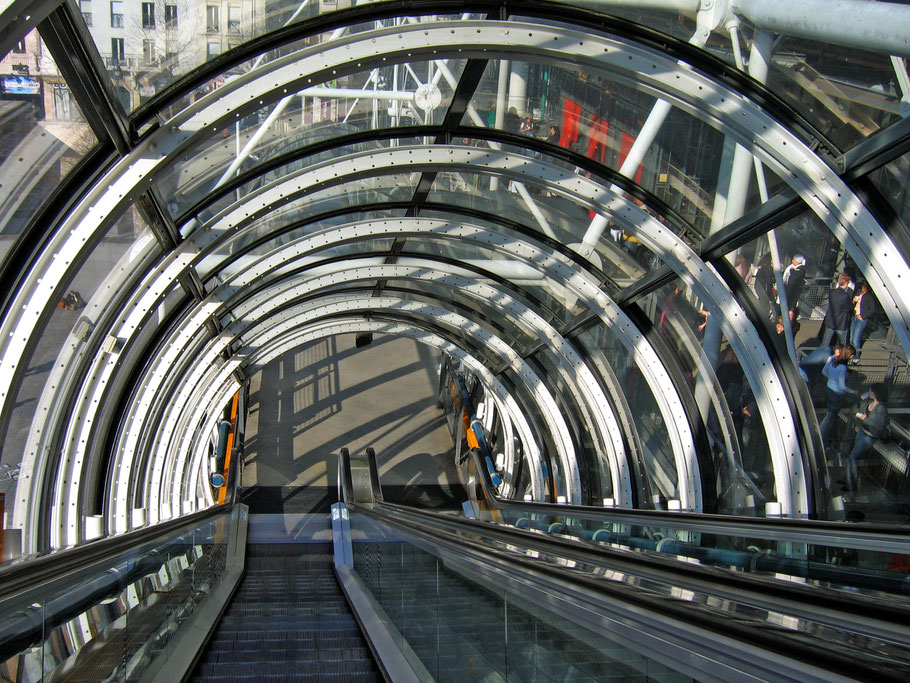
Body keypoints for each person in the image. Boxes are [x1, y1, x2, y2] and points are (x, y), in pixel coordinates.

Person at [843, 383, 889, 492]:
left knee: (852, 458)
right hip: (862, 432)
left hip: (868, 437)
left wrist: (865, 419)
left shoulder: (881, 408)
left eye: (872, 391)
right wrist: (863, 397)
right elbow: (860, 404)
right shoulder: (870, 402)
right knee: (853, 456)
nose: (869, 392)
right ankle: (851, 480)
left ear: (877, 393)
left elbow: (878, 424)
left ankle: (851, 484)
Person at [818, 344, 857, 449]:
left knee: (829, 416)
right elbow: (842, 386)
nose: (853, 357)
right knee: (829, 419)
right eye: (852, 355)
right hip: (837, 395)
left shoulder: (832, 359)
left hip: (829, 390)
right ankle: (820, 440)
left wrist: (831, 379)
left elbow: (823, 371)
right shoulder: (843, 368)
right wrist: (853, 391)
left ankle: (824, 441)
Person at [821, 273, 852, 347]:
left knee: (825, 342)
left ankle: (822, 356)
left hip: (831, 321)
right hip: (841, 323)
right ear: (846, 284)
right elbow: (849, 307)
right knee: (842, 344)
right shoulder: (845, 296)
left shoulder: (832, 292)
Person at [849, 281, 875, 359]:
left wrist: (863, 316)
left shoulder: (869, 297)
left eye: (864, 286)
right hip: (854, 316)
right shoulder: (859, 293)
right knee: (851, 337)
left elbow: (872, 309)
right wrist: (853, 300)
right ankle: (850, 355)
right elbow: (853, 303)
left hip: (861, 319)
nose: (862, 288)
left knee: (856, 339)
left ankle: (856, 357)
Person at [753, 253, 775, 321]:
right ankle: (763, 319)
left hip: (759, 287)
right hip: (764, 288)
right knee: (766, 304)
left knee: (762, 303)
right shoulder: (768, 268)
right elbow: (769, 281)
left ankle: (759, 317)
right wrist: (776, 279)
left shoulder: (762, 268)